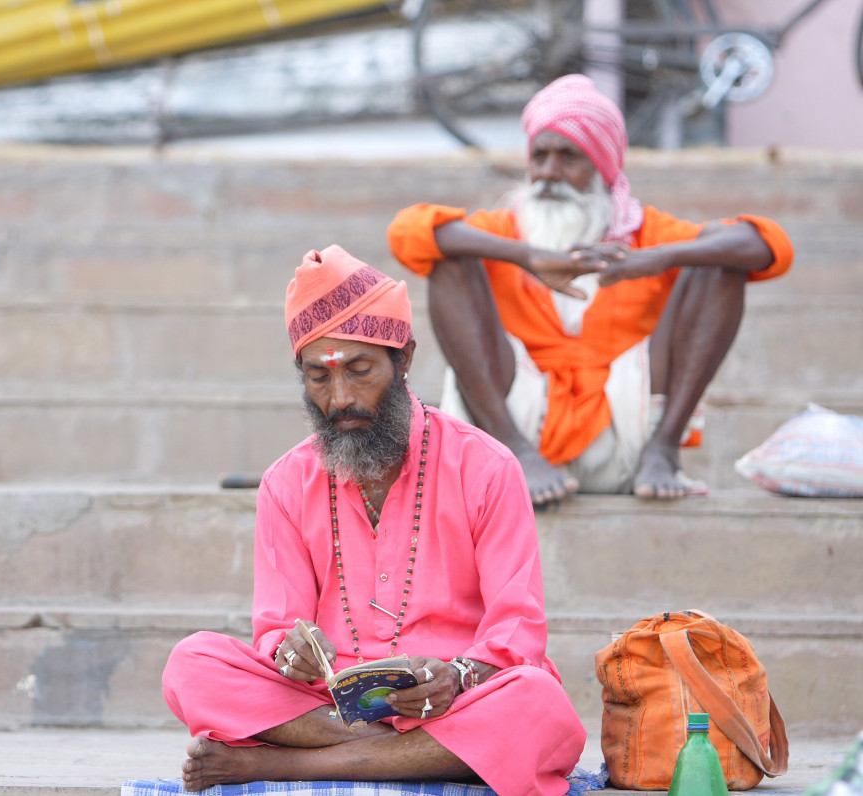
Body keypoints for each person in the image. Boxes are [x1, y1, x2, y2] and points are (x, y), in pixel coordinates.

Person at [162, 245, 586, 796]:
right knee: (192, 664)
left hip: (452, 702)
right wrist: (289, 653)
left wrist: (456, 676)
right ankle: (406, 758)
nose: (341, 399)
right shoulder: (286, 482)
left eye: (360, 371)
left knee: (538, 704)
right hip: (325, 706)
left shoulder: (487, 467)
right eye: (318, 378)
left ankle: (282, 766)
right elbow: (275, 629)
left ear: (403, 358)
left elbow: (516, 631)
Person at [387, 74, 794, 506]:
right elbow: (407, 231)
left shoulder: (648, 233)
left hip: (627, 428)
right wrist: (526, 256)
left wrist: (657, 258)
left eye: (569, 157)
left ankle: (665, 450)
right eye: (539, 156)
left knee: (717, 260)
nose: (548, 173)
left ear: (602, 166)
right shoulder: (502, 232)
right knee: (449, 255)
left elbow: (769, 246)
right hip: (512, 434)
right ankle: (520, 454)